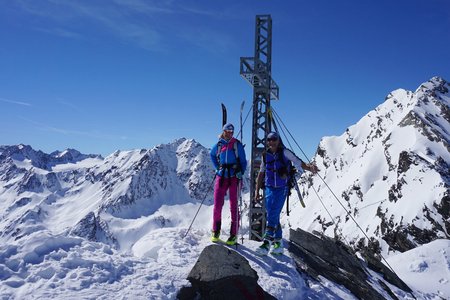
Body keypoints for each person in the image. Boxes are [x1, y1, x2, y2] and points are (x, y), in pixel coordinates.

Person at [254, 131, 318, 255]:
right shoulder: (265, 155)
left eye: (274, 139)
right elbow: (261, 174)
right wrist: (256, 191)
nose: (271, 142)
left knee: (272, 213)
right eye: (269, 140)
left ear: (278, 141)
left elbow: (298, 162)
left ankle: (266, 243)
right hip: (268, 188)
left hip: (282, 188)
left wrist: (310, 168)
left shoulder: (285, 152)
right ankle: (278, 244)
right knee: (273, 213)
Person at [210, 123, 247, 245]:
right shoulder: (219, 144)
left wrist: (241, 172)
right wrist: (217, 168)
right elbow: (212, 155)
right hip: (222, 176)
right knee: (217, 204)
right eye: (228, 131)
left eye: (232, 131)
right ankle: (215, 231)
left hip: (234, 177)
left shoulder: (237, 145)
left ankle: (233, 234)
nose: (230, 133)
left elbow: (243, 161)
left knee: (234, 206)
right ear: (224, 131)